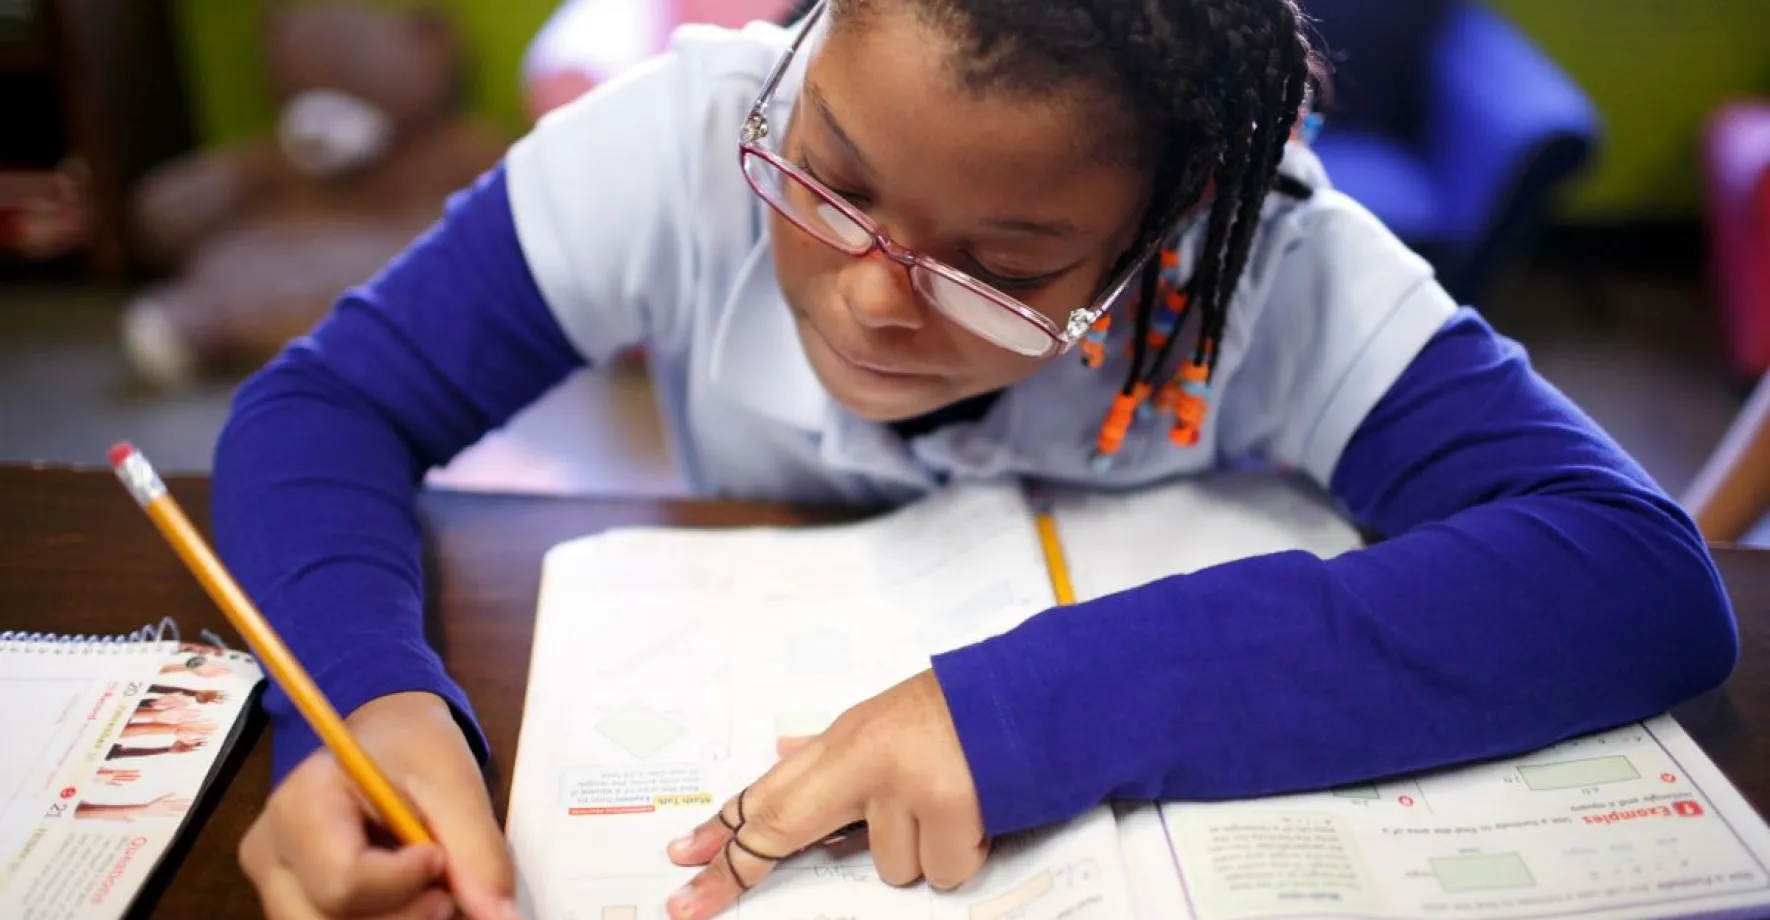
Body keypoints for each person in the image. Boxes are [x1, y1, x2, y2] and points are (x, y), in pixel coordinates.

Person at [210, 0, 1740, 918]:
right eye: (830, 181)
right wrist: (364, 696)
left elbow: (1632, 577)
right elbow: (326, 411)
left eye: (1005, 263)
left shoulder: (1274, 270)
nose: (875, 293)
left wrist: (1034, 707)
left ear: (1170, 232)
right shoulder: (677, 148)